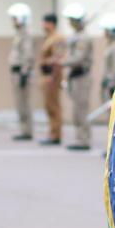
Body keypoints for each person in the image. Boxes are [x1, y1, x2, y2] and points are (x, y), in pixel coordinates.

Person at [62, 3, 93, 151]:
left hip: (82, 76)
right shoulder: (75, 37)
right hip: (74, 76)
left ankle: (84, 139)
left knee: (81, 109)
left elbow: (78, 58)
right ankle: (79, 138)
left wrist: (63, 62)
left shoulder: (84, 38)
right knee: (76, 110)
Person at [7, 3, 35, 141]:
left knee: (24, 103)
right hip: (16, 72)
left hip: (21, 72)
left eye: (14, 18)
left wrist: (24, 72)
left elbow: (28, 55)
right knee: (20, 103)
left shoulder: (25, 35)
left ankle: (27, 131)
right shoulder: (19, 34)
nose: (13, 21)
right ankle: (23, 129)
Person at [38, 13, 66, 145]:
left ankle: (56, 134)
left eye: (45, 22)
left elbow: (58, 58)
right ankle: (52, 131)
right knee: (48, 105)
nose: (43, 25)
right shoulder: (48, 38)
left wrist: (53, 77)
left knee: (53, 105)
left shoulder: (57, 38)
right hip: (46, 75)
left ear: (51, 24)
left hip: (52, 76)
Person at [100, 16, 115, 100]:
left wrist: (111, 85)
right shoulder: (111, 45)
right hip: (108, 84)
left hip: (112, 85)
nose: (105, 33)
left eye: (106, 31)